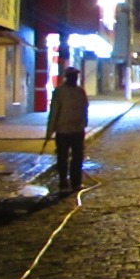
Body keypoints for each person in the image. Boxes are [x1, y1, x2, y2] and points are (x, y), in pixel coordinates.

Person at [46, 65, 89, 193]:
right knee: (62, 158)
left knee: (77, 157)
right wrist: (49, 131)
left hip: (77, 130)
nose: (74, 78)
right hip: (63, 130)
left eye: (75, 76)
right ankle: (63, 183)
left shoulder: (80, 92)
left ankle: (76, 182)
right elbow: (54, 112)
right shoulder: (59, 91)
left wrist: (84, 123)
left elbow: (85, 109)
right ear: (67, 77)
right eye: (72, 76)